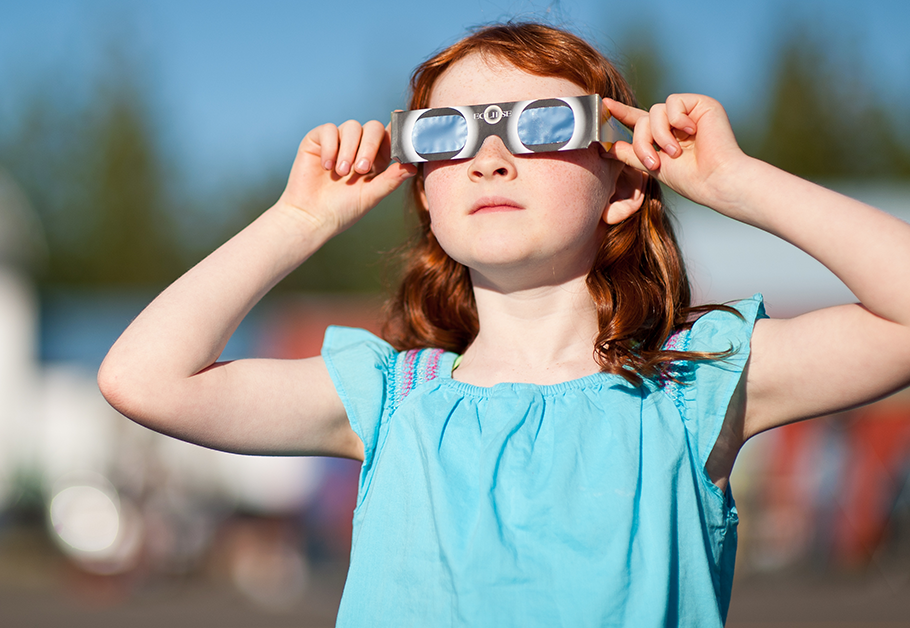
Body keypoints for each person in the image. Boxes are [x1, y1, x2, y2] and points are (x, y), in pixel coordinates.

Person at [98, 21, 910, 627]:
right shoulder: (389, 397)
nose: (491, 158)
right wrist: (300, 220)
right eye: (449, 134)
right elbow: (143, 379)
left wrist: (740, 182)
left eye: (544, 126)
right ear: (423, 189)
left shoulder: (692, 384)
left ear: (623, 184)